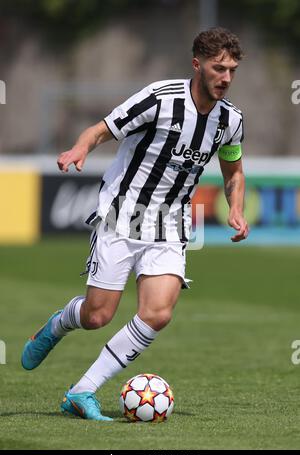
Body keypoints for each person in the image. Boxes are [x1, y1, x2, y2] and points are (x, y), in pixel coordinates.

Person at [21, 27, 249, 421]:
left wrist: (236, 208)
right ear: (197, 65)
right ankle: (58, 324)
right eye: (218, 68)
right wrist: (79, 148)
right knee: (97, 317)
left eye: (232, 70)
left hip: (171, 222)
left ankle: (82, 390)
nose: (226, 78)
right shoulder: (159, 99)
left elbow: (234, 172)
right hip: (123, 213)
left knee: (158, 312)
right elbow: (101, 130)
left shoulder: (231, 121)